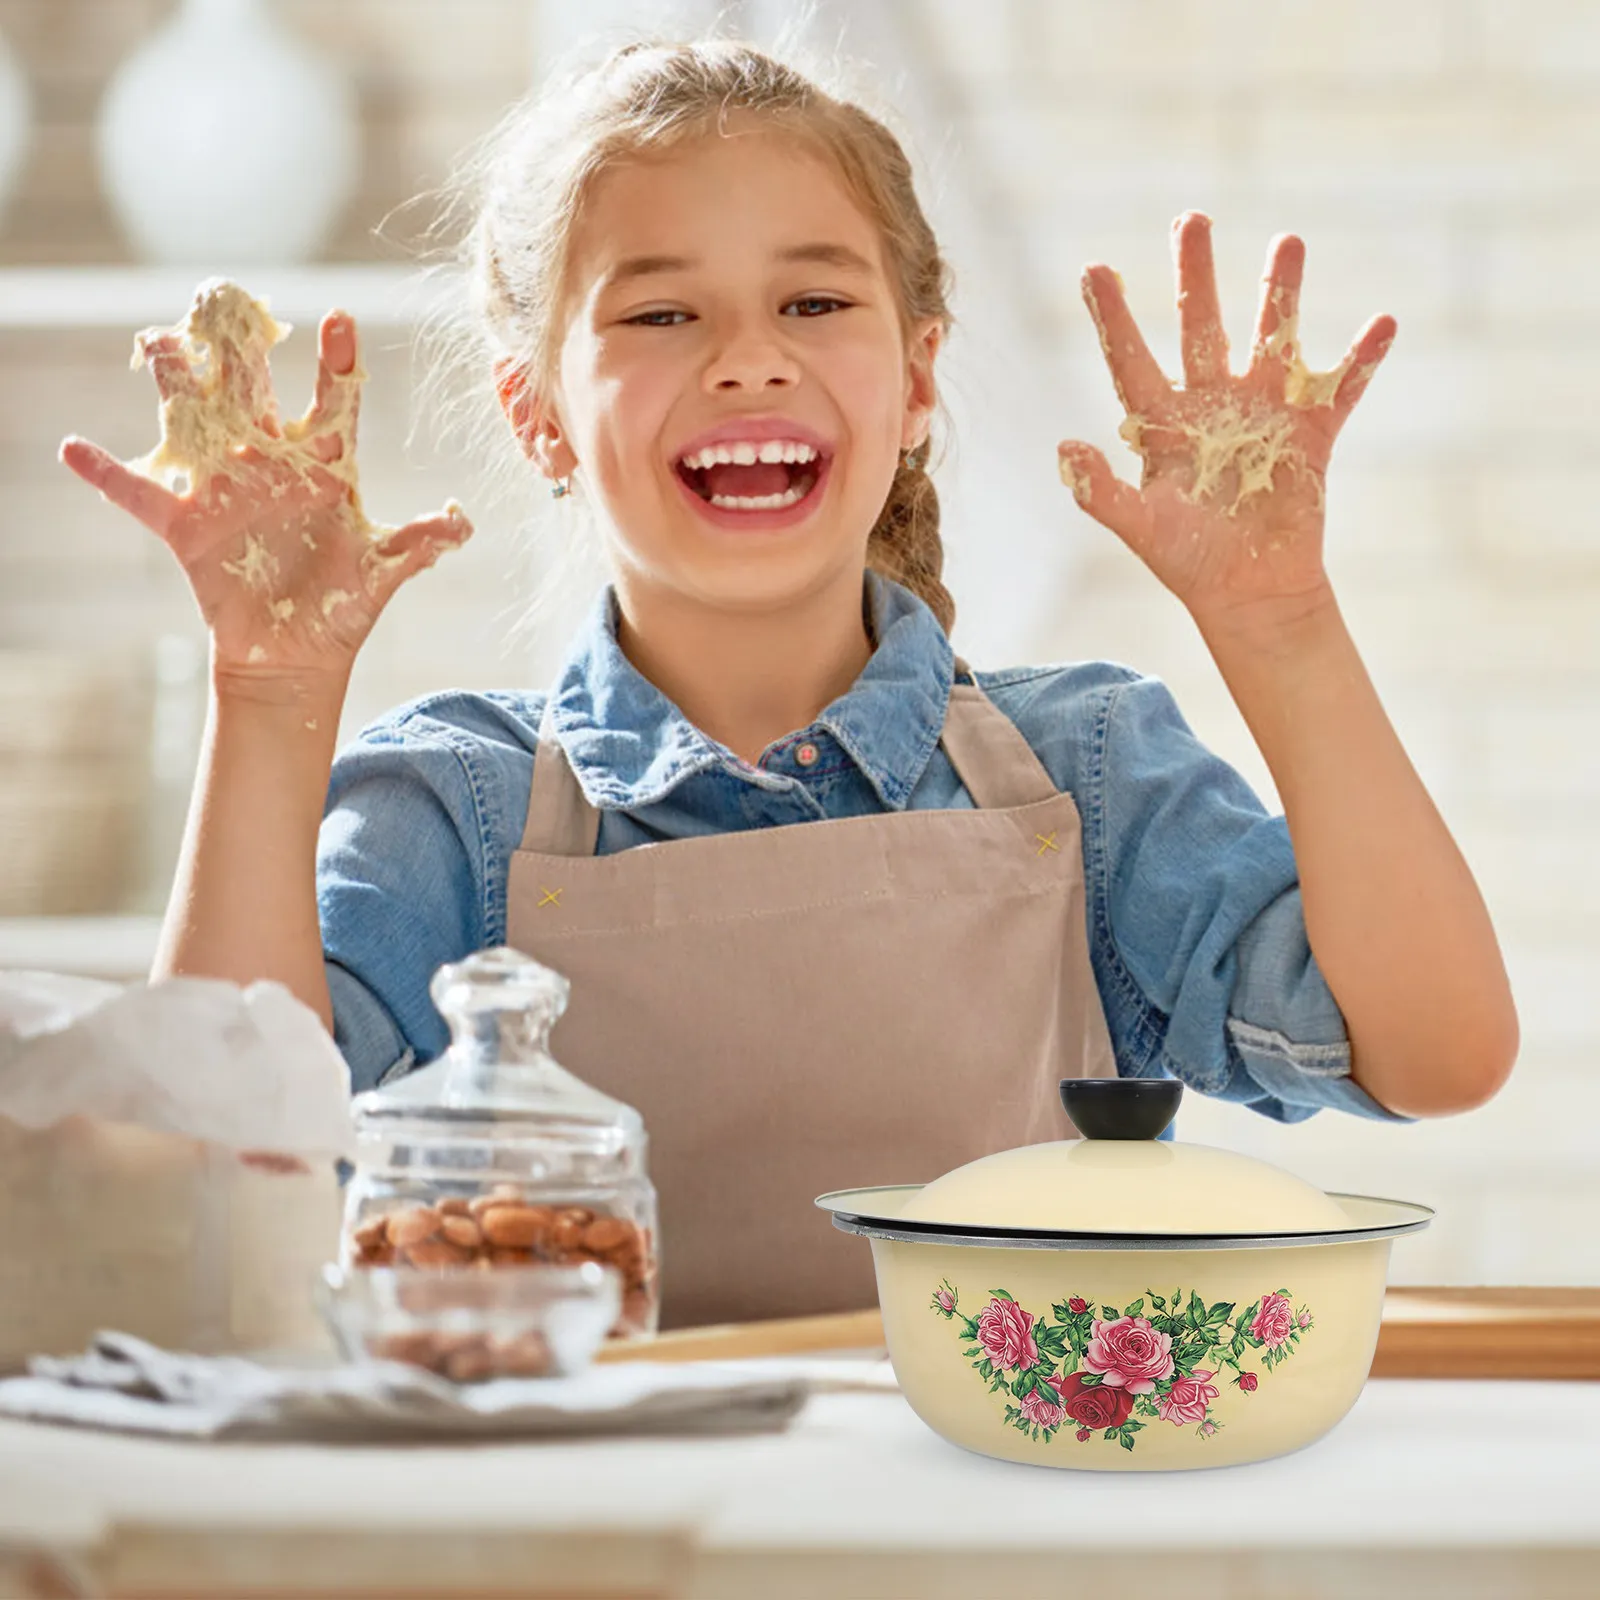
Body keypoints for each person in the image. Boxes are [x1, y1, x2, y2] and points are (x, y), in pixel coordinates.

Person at [59, 37, 1518, 1329]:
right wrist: (268, 696)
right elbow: (213, 1179)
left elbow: (1437, 1054)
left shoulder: (1089, 774)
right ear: (537, 411)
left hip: (999, 1510)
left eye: (814, 302)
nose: (749, 361)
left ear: (919, 378)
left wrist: (1282, 625)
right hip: (590, 1524)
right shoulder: (454, 813)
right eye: (661, 316)